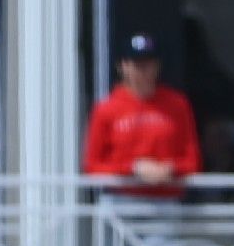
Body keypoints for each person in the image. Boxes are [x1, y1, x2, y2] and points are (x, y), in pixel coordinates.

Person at [82, 34, 200, 189]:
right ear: (123, 66)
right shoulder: (106, 109)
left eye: (148, 63)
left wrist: (170, 168)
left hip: (165, 198)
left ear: (157, 66)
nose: (143, 70)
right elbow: (92, 166)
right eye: (136, 64)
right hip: (121, 198)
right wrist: (133, 168)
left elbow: (192, 161)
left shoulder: (177, 104)